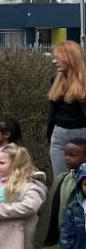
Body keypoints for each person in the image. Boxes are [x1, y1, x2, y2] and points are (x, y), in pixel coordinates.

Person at [47, 40, 86, 177]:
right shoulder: (55, 80)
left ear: (70, 58)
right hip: (59, 135)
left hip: (82, 134)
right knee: (61, 180)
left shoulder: (84, 82)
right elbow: (53, 113)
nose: (54, 61)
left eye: (58, 58)